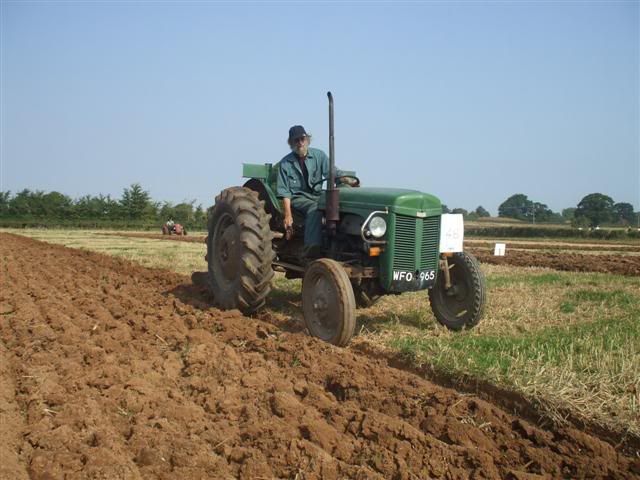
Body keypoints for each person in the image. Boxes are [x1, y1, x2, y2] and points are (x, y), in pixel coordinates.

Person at [276, 125, 354, 256]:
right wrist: (288, 215)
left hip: (317, 195)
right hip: (298, 198)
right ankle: (312, 248)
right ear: (291, 143)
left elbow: (332, 172)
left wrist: (347, 180)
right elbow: (285, 193)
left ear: (307, 140)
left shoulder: (319, 156)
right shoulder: (285, 164)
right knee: (315, 208)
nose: (300, 143)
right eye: (296, 140)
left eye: (302, 139)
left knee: (338, 203)